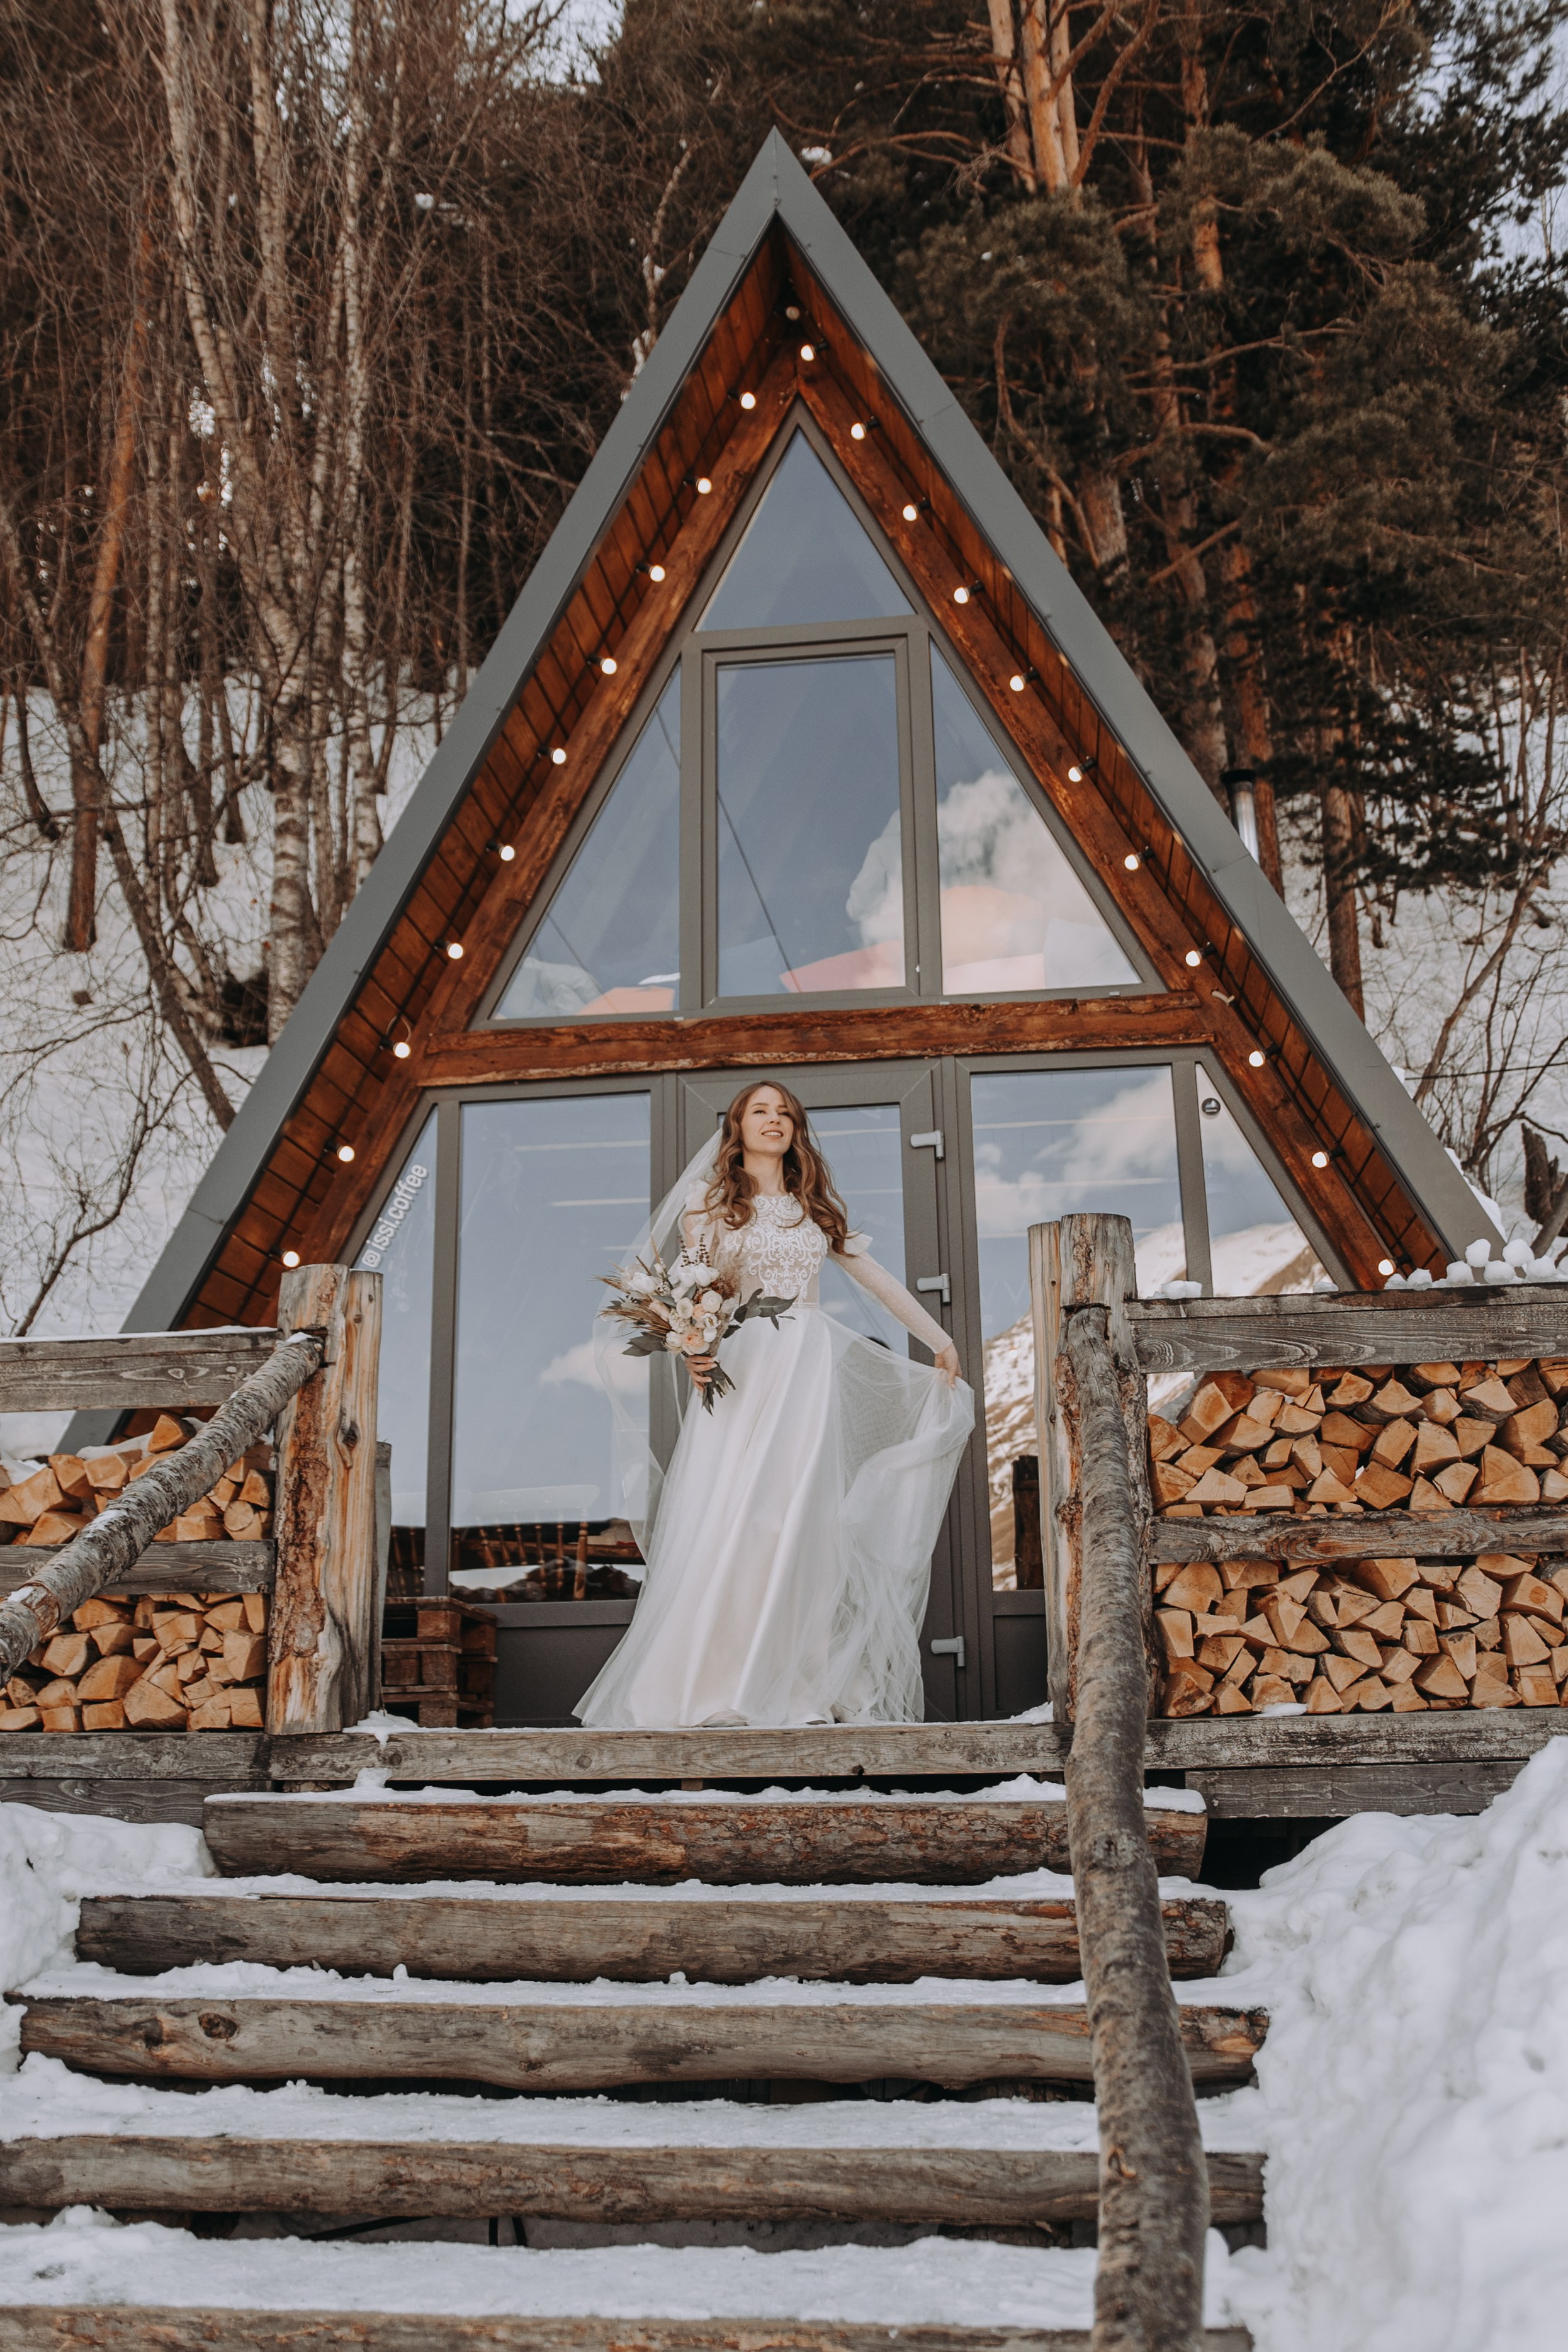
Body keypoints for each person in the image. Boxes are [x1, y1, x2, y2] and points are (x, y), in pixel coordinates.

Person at [574, 1081, 974, 1728]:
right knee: (736, 1512)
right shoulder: (709, 1210)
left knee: (798, 1520)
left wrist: (938, 1338)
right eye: (760, 1111)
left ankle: (792, 1682)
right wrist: (692, 1347)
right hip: (745, 1365)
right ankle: (711, 1684)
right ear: (737, 1126)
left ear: (796, 1130)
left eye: (784, 1113)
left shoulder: (811, 1208)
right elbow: (692, 1291)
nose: (774, 1120)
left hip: (806, 1365)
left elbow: (875, 1278)